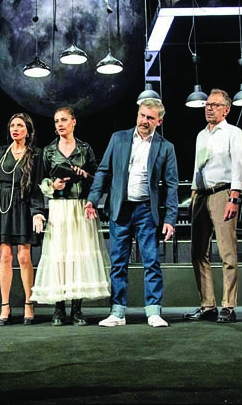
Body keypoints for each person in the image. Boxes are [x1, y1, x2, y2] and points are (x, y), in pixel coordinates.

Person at [86, 98, 178, 328]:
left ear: (159, 121)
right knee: (118, 262)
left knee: (151, 262)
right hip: (120, 209)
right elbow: (103, 171)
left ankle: (153, 312)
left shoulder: (166, 147)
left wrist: (170, 219)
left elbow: (171, 185)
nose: (144, 121)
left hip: (146, 210)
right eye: (142, 115)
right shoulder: (118, 138)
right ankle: (117, 312)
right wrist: (92, 200)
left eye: (150, 118)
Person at [31, 107, 110, 326]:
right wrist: (53, 185)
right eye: (57, 121)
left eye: (64, 120)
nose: (60, 124)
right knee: (59, 257)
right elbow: (40, 182)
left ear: (73, 122)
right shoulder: (49, 151)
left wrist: (84, 174)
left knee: (78, 257)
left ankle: (77, 309)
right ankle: (59, 309)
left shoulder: (84, 149)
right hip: (59, 208)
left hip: (80, 207)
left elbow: (99, 179)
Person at [0, 113, 46, 325]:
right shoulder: (0, 152)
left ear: (28, 131)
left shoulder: (36, 154)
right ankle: (5, 306)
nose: (15, 129)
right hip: (2, 208)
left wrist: (37, 211)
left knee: (24, 257)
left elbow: (37, 188)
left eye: (20, 125)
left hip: (23, 206)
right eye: (12, 125)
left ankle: (29, 303)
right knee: (5, 256)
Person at [184, 89, 242, 324]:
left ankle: (229, 305)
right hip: (201, 195)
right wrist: (193, 194)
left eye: (215, 105)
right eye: (207, 104)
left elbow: (240, 165)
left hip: (223, 193)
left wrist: (234, 197)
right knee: (198, 252)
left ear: (226, 109)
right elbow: (197, 167)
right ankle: (207, 304)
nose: (209, 108)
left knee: (227, 251)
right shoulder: (201, 135)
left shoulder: (233, 133)